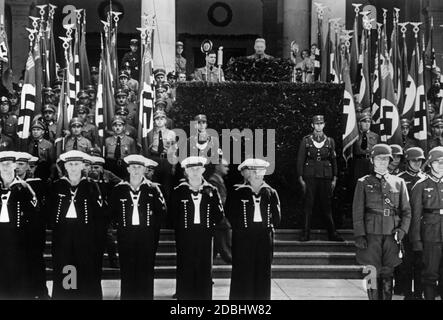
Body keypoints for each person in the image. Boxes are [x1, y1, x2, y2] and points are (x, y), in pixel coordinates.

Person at [353, 144, 411, 300]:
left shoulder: (399, 182)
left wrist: (402, 230)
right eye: (379, 158)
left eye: (386, 159)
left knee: (387, 272)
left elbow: (406, 211)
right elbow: (357, 212)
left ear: (390, 161)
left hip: (391, 234)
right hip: (371, 234)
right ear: (372, 160)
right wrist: (360, 234)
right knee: (371, 271)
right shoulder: (363, 182)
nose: (382, 162)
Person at [49, 150, 104, 299]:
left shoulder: (91, 186)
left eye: (76, 164)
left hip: (85, 236)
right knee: (67, 269)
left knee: (85, 269)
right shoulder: (57, 186)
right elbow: (50, 210)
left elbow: (99, 215)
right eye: (70, 164)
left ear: (82, 166)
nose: (73, 167)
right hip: (64, 236)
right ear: (65, 167)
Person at [110, 155, 166, 299]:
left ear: (145, 170)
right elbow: (112, 211)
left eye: (139, 167)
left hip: (146, 235)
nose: (136, 170)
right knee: (127, 268)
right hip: (126, 234)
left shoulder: (153, 189)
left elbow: (162, 211)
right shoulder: (119, 189)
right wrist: (120, 225)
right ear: (128, 169)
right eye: (133, 167)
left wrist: (151, 228)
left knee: (146, 268)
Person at [171, 156, 225, 300]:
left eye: (197, 169)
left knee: (204, 267)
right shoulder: (179, 191)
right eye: (191, 169)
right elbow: (172, 215)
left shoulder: (211, 190)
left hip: (205, 235)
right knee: (185, 265)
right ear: (186, 172)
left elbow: (219, 215)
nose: (195, 172)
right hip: (185, 235)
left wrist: (208, 226)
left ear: (203, 170)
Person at [226, 159, 280, 300]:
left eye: (260, 171)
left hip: (264, 237)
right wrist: (241, 228)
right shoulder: (237, 192)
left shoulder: (271, 192)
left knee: (263, 270)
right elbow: (230, 213)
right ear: (247, 174)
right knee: (243, 270)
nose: (257, 175)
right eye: (253, 171)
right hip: (243, 237)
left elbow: (277, 217)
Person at [296, 115, 343, 242]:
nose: (318, 126)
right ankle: (305, 234)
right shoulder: (306, 141)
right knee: (308, 205)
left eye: (321, 123)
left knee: (326, 206)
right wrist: (300, 177)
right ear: (312, 125)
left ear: (324, 125)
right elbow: (300, 160)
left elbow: (333, 161)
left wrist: (335, 177)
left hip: (325, 176)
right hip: (310, 175)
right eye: (316, 124)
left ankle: (332, 233)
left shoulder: (330, 141)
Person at [0, 151, 37, 299]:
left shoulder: (24, 187)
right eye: (2, 164)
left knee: (17, 269)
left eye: (9, 164)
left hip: (17, 236)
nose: (5, 167)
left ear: (14, 165)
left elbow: (34, 212)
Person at [409, 146, 443, 299]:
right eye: (437, 162)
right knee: (430, 274)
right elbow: (415, 216)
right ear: (429, 164)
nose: (441, 165)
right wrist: (416, 240)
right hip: (430, 235)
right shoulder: (421, 185)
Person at [15, 152, 49, 299]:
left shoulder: (37, 183)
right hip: (16, 230)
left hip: (34, 230)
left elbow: (41, 206)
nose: (17, 167)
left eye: (21, 164)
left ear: (28, 166)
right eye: (15, 164)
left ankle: (40, 292)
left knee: (36, 261)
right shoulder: (8, 183)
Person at [396, 147, 426, 300]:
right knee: (406, 264)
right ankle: (407, 293)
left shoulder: (425, 178)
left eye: (420, 160)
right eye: (414, 160)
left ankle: (419, 293)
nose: (417, 163)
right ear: (407, 161)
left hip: (422, 228)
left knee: (421, 263)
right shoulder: (400, 178)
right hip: (406, 226)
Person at [147, 110, 177, 202]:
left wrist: (174, 166)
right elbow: (146, 150)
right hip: (154, 159)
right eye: (157, 119)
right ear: (154, 121)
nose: (159, 121)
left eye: (162, 118)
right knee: (154, 184)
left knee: (167, 185)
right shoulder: (150, 133)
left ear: (165, 121)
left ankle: (166, 206)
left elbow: (174, 150)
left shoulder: (171, 133)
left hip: (166, 160)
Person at [208, 158, 232, 264]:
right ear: (217, 166)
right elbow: (219, 201)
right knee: (226, 251)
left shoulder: (218, 181)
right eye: (225, 166)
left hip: (219, 221)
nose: (227, 168)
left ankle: (207, 278)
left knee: (213, 251)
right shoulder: (213, 182)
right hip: (218, 221)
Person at [351, 111, 380, 187]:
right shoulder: (354, 136)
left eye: (368, 121)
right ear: (359, 123)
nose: (367, 124)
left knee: (371, 185)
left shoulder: (375, 136)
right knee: (359, 185)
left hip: (371, 163)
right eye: (364, 121)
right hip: (359, 164)